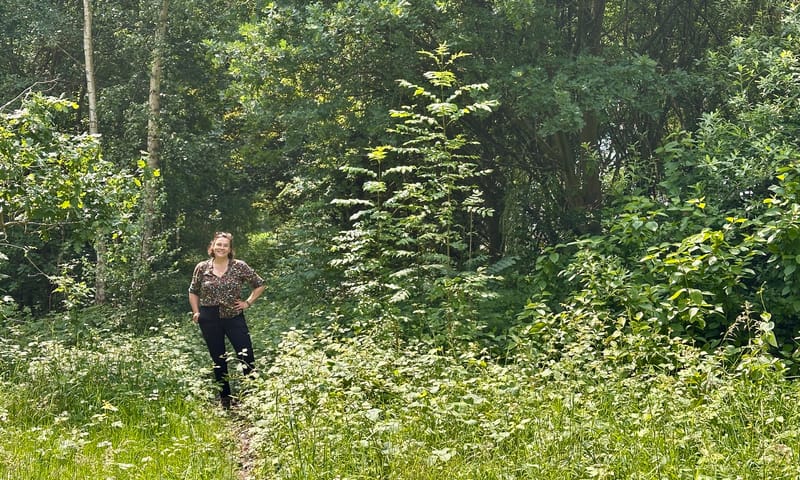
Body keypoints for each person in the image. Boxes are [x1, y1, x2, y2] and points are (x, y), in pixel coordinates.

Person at [188, 231, 265, 409]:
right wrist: (196, 312)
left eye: (225, 245)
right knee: (218, 359)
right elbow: (193, 290)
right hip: (209, 317)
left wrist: (248, 302)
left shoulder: (239, 266)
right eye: (219, 244)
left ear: (230, 249)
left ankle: (253, 397)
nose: (221, 248)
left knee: (245, 354)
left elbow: (259, 284)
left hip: (234, 315)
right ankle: (225, 400)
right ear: (212, 247)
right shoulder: (202, 267)